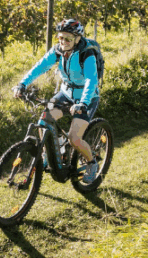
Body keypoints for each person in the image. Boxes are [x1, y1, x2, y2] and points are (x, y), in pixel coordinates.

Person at [14, 19, 101, 183]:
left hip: (87, 97)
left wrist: (82, 103)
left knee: (74, 138)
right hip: (66, 94)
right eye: (60, 38)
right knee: (44, 120)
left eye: (68, 39)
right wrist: (22, 84)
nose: (63, 42)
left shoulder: (86, 53)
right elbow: (40, 66)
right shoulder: (58, 51)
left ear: (77, 39)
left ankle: (92, 163)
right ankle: (50, 153)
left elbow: (91, 80)